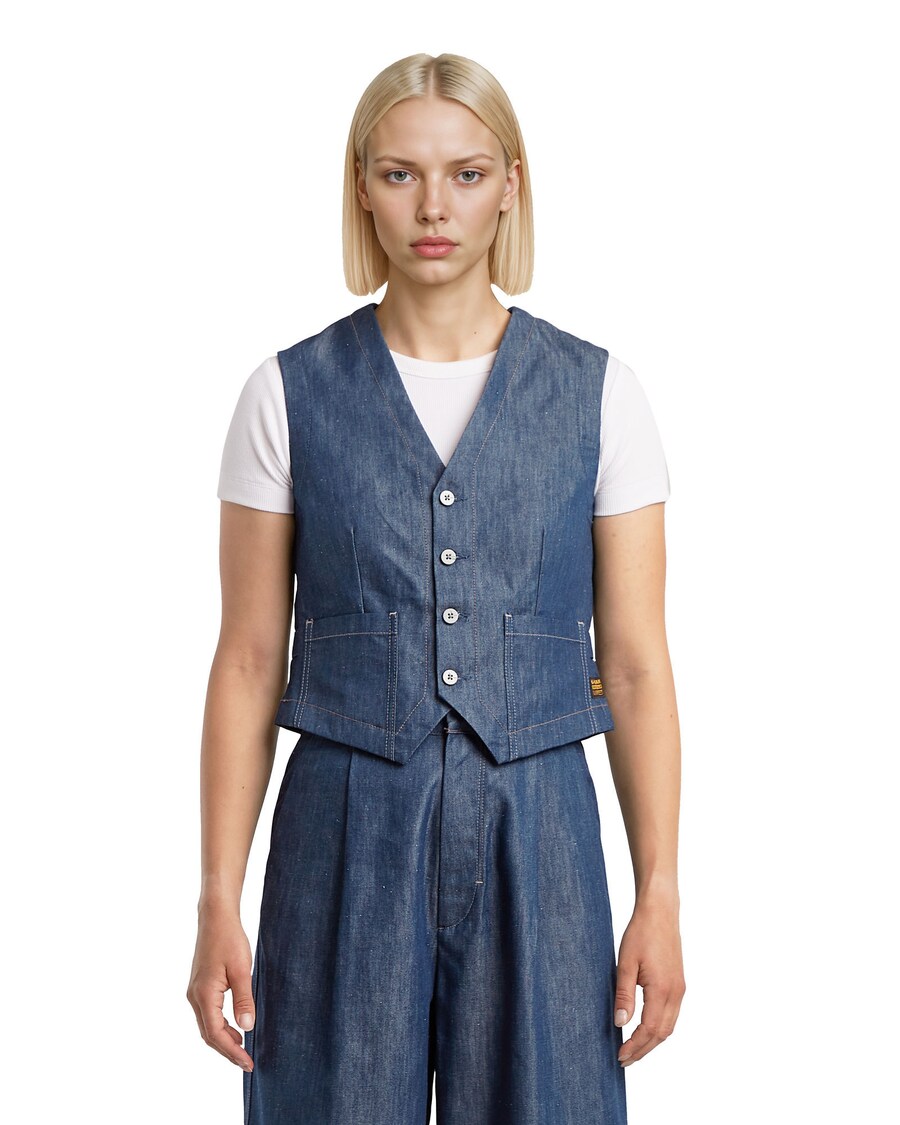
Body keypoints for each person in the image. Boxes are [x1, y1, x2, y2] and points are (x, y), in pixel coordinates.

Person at [187, 51, 685, 1125]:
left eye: (466, 174)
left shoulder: (602, 395)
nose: (433, 208)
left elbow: (637, 665)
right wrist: (217, 895)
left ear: (510, 185)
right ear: (362, 187)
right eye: (400, 173)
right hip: (342, 829)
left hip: (542, 829)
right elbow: (248, 658)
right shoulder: (285, 394)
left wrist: (660, 892)